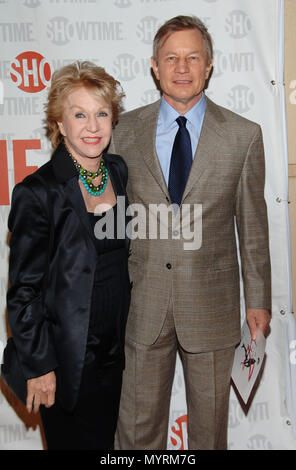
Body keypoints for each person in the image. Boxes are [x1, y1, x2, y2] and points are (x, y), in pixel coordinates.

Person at [110, 15, 271, 450]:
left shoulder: (243, 136)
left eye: (193, 57)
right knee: (136, 433)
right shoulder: (121, 133)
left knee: (209, 435)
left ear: (210, 65)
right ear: (155, 67)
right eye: (171, 58)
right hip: (141, 304)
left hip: (213, 308)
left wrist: (257, 300)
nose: (182, 67)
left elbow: (253, 226)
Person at [6, 61, 131, 450]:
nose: (92, 127)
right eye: (79, 115)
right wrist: (40, 365)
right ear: (60, 124)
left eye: (101, 114)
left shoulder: (118, 171)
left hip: (116, 353)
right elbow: (23, 292)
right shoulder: (37, 192)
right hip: (66, 360)